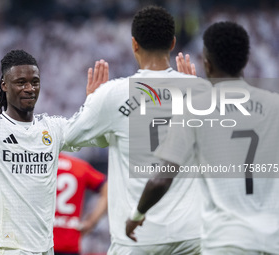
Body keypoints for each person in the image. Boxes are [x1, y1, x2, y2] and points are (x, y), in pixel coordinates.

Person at [65, 6, 210, 254]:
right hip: (191, 236)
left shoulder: (112, 94)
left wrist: (93, 103)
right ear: (173, 43)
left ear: (134, 44)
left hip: (137, 241)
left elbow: (70, 138)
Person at [127, 21, 279, 255]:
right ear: (246, 61)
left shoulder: (195, 108)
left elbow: (161, 179)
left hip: (226, 242)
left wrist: (137, 215)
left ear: (206, 63)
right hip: (272, 242)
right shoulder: (273, 105)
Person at [0, 50, 108, 255]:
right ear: (4, 85)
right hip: (6, 248)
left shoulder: (53, 129)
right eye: (21, 82)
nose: (30, 88)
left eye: (35, 82)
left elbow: (97, 137)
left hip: (45, 248)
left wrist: (95, 104)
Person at [54, 153, 107, 255]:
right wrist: (91, 222)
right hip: (69, 244)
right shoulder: (78, 166)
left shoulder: (37, 167)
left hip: (39, 243)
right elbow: (107, 188)